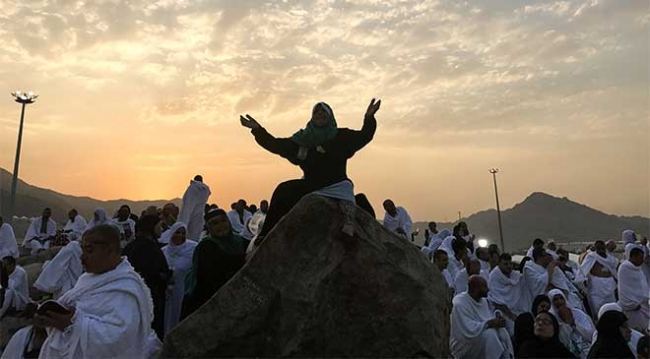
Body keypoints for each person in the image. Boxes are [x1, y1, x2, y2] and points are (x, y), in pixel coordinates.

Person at [240, 100, 380, 246]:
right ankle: (266, 234)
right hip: (312, 184)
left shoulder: (341, 136)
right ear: (312, 117)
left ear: (330, 116)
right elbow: (276, 145)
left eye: (323, 111)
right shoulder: (302, 139)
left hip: (338, 184)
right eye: (316, 112)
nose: (320, 113)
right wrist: (257, 129)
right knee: (283, 190)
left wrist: (369, 118)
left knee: (356, 209)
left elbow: (364, 135)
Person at [36, 224, 155, 358]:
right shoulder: (87, 278)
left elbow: (118, 338)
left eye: (89, 250)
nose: (83, 258)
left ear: (109, 250)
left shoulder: (126, 289)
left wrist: (72, 324)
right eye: (83, 251)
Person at [182, 209, 247, 318]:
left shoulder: (240, 241)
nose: (221, 225)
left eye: (223, 221)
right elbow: (221, 262)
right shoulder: (206, 246)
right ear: (209, 228)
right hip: (208, 303)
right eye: (215, 223)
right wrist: (245, 257)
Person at [123, 214, 171, 340]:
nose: (161, 229)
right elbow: (148, 272)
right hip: (149, 298)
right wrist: (166, 276)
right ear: (151, 227)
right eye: (159, 226)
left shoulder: (133, 245)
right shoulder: (147, 246)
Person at [449, 275, 513, 358]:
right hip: (464, 344)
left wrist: (497, 318)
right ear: (475, 289)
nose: (488, 290)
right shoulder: (459, 303)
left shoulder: (483, 301)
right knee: (490, 335)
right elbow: (468, 330)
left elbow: (487, 317)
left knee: (502, 331)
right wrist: (490, 323)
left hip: (479, 337)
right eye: (485, 287)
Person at [160, 222, 197, 335]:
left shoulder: (193, 249)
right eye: (177, 232)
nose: (180, 235)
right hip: (167, 293)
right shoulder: (164, 251)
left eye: (183, 233)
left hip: (183, 291)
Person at [548, 289, 595, 358]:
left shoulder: (578, 314)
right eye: (555, 299)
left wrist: (574, 323)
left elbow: (591, 335)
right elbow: (562, 341)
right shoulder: (552, 320)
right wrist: (568, 325)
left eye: (561, 298)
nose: (559, 301)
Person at [576, 240, 617, 318]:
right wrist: (584, 284)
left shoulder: (611, 259)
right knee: (599, 313)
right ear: (596, 248)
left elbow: (614, 272)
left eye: (602, 248)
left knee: (612, 310)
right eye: (599, 248)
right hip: (597, 289)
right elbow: (582, 271)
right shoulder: (591, 257)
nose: (601, 250)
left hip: (610, 287)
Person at [488, 253, 523, 336]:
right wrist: (511, 315)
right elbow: (497, 301)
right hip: (502, 311)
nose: (509, 266)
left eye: (510, 263)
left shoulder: (514, 275)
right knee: (513, 330)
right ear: (499, 264)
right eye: (505, 264)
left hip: (517, 309)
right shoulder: (494, 277)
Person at [617, 245, 650, 332]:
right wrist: (630, 304)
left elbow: (642, 286)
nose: (642, 260)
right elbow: (624, 288)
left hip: (643, 305)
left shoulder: (638, 269)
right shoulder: (625, 268)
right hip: (632, 307)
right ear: (633, 257)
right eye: (640, 258)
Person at [178, 175, 212, 241]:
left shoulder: (192, 187)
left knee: (189, 234)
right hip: (200, 214)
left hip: (191, 212)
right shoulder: (206, 189)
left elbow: (187, 202)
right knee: (196, 235)